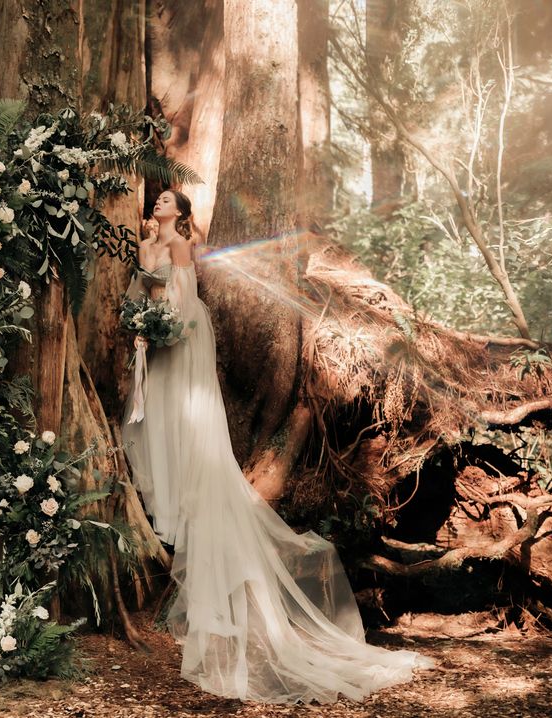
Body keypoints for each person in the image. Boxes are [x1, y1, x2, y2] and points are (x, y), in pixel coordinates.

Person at [120, 189, 435, 704]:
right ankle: (170, 488)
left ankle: (184, 492)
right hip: (157, 335)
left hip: (182, 332)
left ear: (180, 212)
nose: (157, 204)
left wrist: (158, 329)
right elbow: (143, 291)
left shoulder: (179, 244)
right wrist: (138, 323)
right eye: (155, 201)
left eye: (165, 201)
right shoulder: (147, 242)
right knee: (160, 415)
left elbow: (177, 299)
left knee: (184, 413)